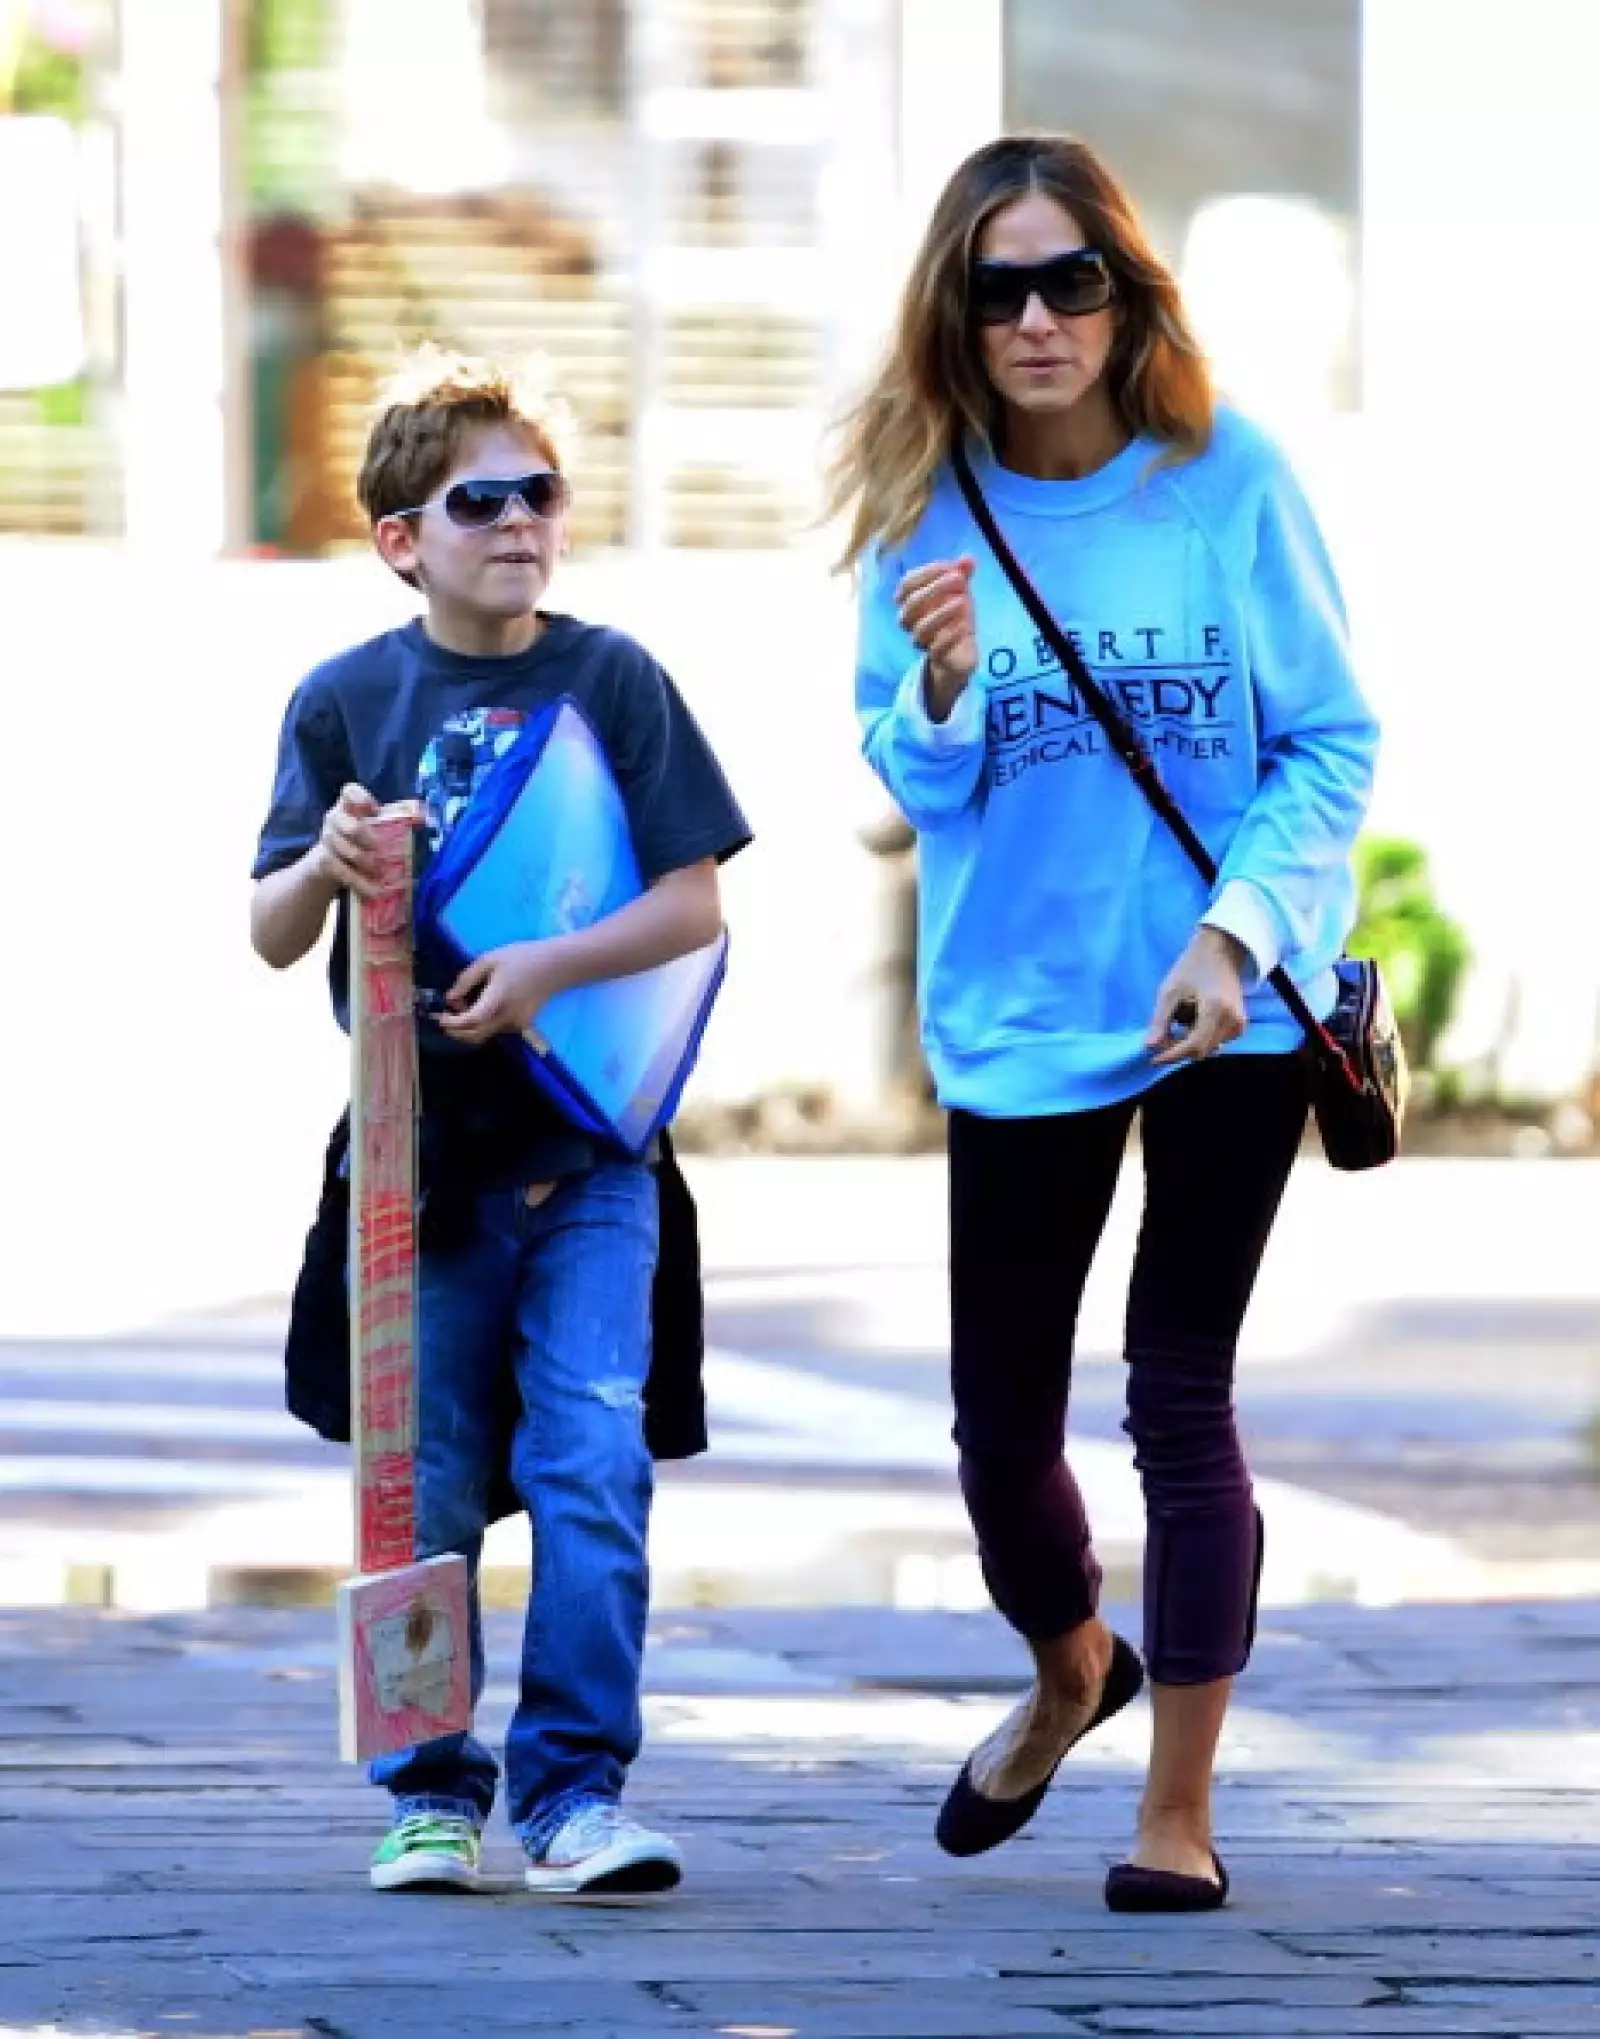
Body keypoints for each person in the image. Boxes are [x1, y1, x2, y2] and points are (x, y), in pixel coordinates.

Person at [829, 134, 1378, 1912]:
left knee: (1180, 1396)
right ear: (956, 313)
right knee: (1001, 1435)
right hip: (1020, 1005)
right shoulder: (926, 508)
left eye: (1076, 280)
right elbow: (912, 781)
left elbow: (1329, 743)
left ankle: (1177, 1810)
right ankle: (1074, 1666)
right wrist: (939, 684)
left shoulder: (1229, 482)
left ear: (1128, 296)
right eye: (1003, 287)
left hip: (1228, 1004)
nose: (1042, 316)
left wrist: (1234, 936)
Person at [251, 347, 750, 1897]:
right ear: (404, 534)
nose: (524, 520)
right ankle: (426, 1788)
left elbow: (693, 900)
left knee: (597, 1460)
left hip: (594, 1157)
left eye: (544, 492)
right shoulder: (347, 698)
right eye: (485, 499)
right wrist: (330, 863)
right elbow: (270, 931)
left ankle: (578, 1791)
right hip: (412, 1168)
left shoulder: (613, 680)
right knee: (427, 1480)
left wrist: (550, 967)